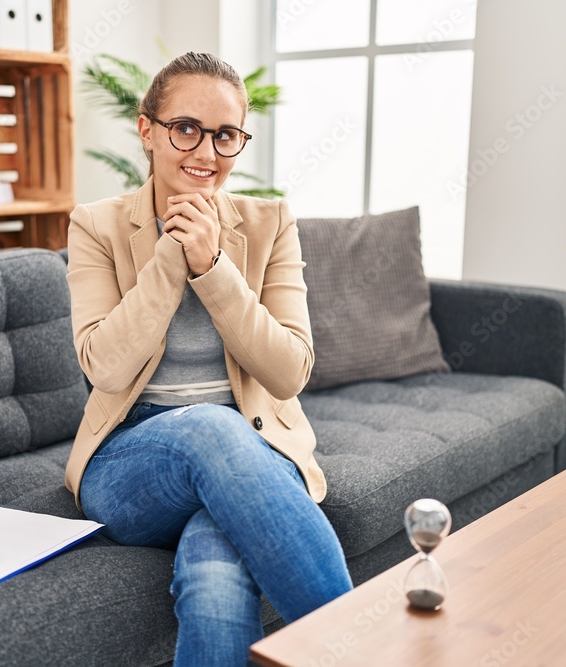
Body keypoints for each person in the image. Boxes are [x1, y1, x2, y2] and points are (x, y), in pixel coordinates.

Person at [64, 51, 353, 666]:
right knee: (207, 425)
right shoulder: (96, 226)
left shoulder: (269, 223)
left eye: (226, 136)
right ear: (147, 129)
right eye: (186, 128)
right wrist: (175, 254)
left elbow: (288, 371)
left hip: (253, 450)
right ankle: (360, 650)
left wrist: (215, 268)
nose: (206, 152)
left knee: (216, 570)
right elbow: (106, 368)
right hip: (129, 464)